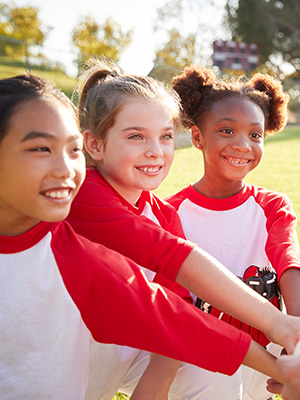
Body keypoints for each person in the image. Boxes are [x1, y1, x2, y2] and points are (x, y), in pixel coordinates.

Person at [0, 73, 284, 399]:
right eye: (136, 137)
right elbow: (169, 257)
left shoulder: (164, 215)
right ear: (95, 145)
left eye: (165, 137)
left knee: (208, 370)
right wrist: (278, 325)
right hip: (71, 351)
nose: (155, 151)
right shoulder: (81, 196)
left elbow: (173, 307)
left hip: (127, 351)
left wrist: (159, 378)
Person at [166, 65, 300, 399]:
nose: (243, 144)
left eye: (255, 135)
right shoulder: (170, 213)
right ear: (197, 137)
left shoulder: (272, 205)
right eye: (227, 131)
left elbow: (289, 265)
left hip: (264, 355)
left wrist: (298, 337)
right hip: (200, 361)